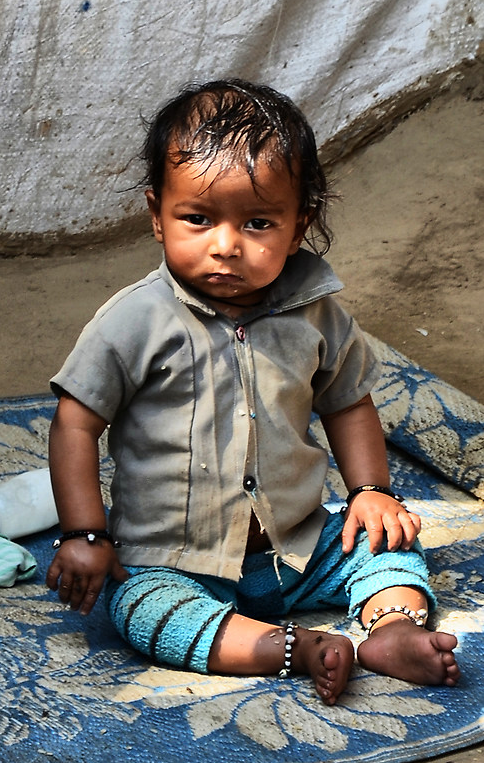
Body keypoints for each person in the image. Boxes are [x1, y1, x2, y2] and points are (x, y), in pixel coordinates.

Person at [46, 79, 459, 702]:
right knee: (141, 609)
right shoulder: (132, 321)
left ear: (299, 227)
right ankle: (291, 648)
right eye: (197, 218)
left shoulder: (318, 317)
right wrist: (86, 534)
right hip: (176, 558)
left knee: (387, 541)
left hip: (298, 543)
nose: (226, 245)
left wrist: (372, 492)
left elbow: (348, 401)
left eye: (258, 222)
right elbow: (75, 424)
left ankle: (390, 629)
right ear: (157, 216)